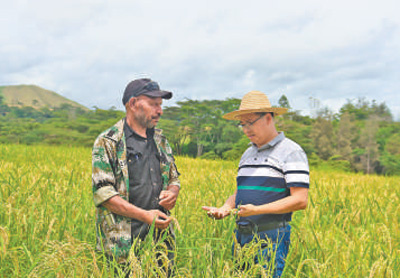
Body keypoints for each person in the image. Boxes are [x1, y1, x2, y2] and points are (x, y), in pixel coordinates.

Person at [202, 91, 309, 278]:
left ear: (268, 118)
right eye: (242, 124)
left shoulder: (291, 151)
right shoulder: (247, 154)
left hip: (271, 236)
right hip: (241, 236)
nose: (246, 129)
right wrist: (225, 208)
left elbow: (300, 200)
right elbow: (239, 193)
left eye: (250, 123)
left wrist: (257, 210)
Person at [92, 78, 180, 276]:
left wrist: (173, 192)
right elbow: (104, 194)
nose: (160, 111)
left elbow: (174, 178)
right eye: (153, 104)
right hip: (123, 244)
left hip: (161, 244)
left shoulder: (161, 141)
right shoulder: (108, 142)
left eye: (161, 105)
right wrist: (145, 216)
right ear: (132, 104)